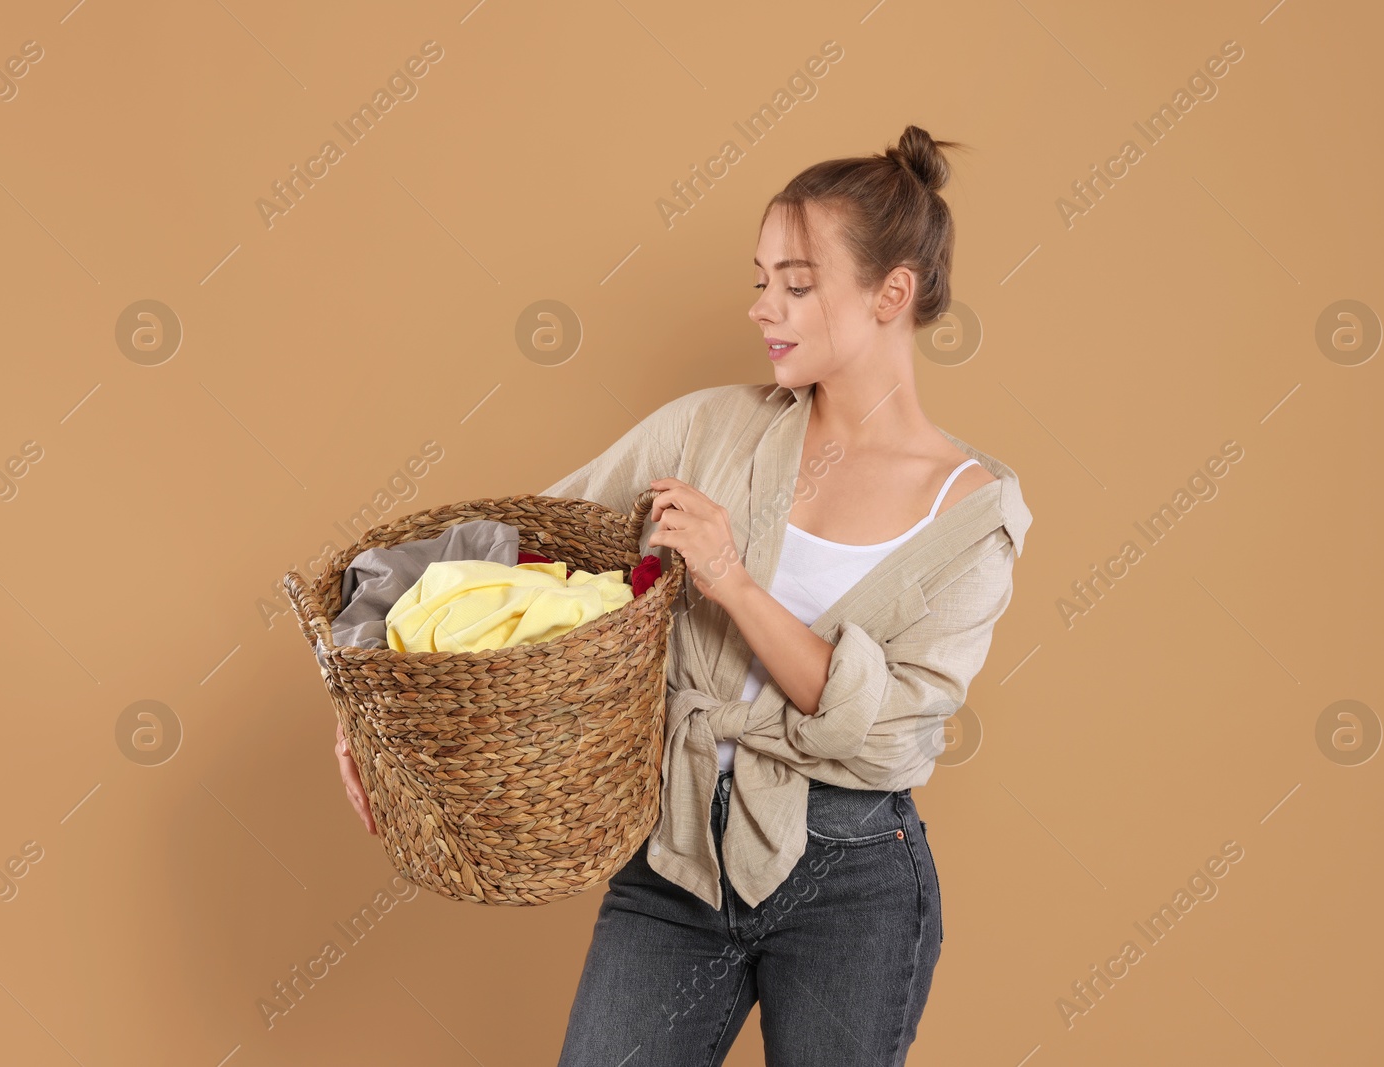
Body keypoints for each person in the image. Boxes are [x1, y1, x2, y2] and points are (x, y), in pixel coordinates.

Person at [335, 124, 1034, 1066]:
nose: (763, 307)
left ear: (891, 293)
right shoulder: (708, 430)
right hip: (673, 852)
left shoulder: (973, 516)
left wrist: (731, 579)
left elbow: (881, 732)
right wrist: (373, 703)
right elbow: (515, 551)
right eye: (760, 280)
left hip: (856, 877)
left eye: (796, 282)